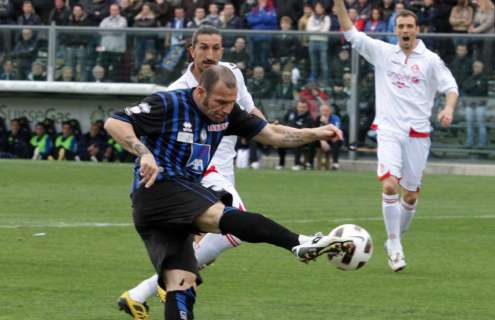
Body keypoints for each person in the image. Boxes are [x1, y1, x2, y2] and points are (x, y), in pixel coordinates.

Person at [105, 65, 353, 320]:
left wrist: (315, 133)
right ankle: (298, 242)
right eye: (220, 102)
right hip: (159, 190)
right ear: (200, 92)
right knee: (223, 215)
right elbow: (115, 122)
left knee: (181, 283)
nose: (224, 109)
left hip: (171, 205)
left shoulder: (228, 114)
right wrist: (143, 152)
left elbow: (272, 134)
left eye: (230, 103)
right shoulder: (169, 103)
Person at [116, 25, 271, 319]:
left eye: (216, 48)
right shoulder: (178, 91)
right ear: (192, 50)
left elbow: (251, 112)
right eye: (204, 48)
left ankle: (142, 294)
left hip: (226, 168)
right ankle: (151, 288)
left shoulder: (232, 74)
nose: (210, 55)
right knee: (233, 232)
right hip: (199, 172)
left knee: (211, 238)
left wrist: (268, 132)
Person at [333, 0, 458, 272]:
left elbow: (451, 87)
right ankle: (395, 245)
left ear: (417, 29)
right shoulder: (383, 52)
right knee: (390, 186)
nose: (405, 30)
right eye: (400, 26)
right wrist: (339, 5)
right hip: (389, 129)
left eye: (409, 26)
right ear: (395, 29)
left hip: (419, 132)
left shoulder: (430, 60)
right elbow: (352, 33)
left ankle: (395, 240)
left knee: (410, 195)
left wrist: (448, 108)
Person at [462, 60, 488, 149]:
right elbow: (465, 87)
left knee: (481, 124)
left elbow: (481, 90)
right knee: (469, 124)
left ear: (482, 68)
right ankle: (469, 143)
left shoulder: (484, 78)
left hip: (480, 104)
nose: (477, 68)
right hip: (469, 104)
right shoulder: (469, 77)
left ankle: (482, 144)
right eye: (475, 66)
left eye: (479, 67)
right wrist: (475, 85)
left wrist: (472, 87)